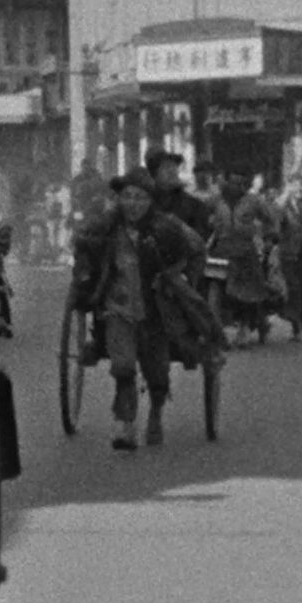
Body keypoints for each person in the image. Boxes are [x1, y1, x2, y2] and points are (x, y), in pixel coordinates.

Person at [73, 167, 210, 450]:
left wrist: (182, 278)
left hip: (157, 310)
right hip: (117, 307)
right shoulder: (106, 225)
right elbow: (81, 244)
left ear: (150, 201)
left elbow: (197, 249)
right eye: (127, 197)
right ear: (119, 199)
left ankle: (156, 414)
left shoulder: (167, 227)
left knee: (157, 373)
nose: (132, 204)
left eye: (139, 198)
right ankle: (125, 424)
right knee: (122, 366)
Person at [210, 171, 270, 347]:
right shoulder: (216, 200)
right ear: (227, 182)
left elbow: (269, 219)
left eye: (242, 183)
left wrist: (268, 239)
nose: (238, 187)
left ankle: (245, 327)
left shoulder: (253, 201)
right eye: (234, 182)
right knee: (216, 291)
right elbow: (201, 216)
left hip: (245, 251)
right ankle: (217, 330)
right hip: (220, 250)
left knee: (246, 293)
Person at [276, 174, 302, 340]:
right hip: (288, 253)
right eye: (297, 185)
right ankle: (296, 326)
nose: (300, 188)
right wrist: (286, 195)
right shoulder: (283, 206)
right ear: (290, 186)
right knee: (294, 289)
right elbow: (275, 217)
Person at [146, 149, 212, 242]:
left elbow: (200, 239)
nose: (172, 171)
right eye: (165, 167)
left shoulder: (195, 206)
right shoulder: (145, 204)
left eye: (174, 166)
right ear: (154, 174)